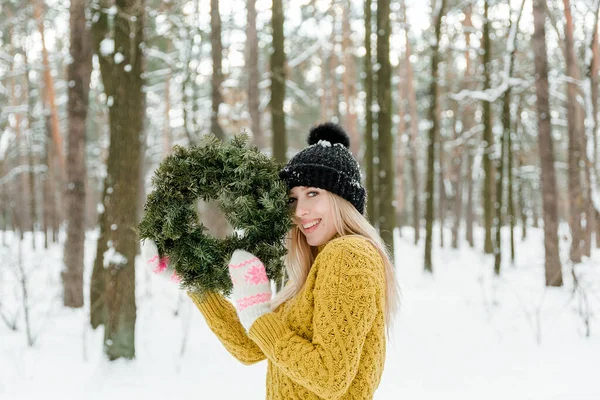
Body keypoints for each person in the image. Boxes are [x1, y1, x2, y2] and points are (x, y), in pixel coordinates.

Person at [188, 122, 400, 399]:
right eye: (292, 199)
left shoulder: (348, 256)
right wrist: (192, 279)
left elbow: (329, 377)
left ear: (343, 199)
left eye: (313, 193)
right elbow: (251, 347)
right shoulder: (319, 264)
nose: (300, 211)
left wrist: (260, 317)